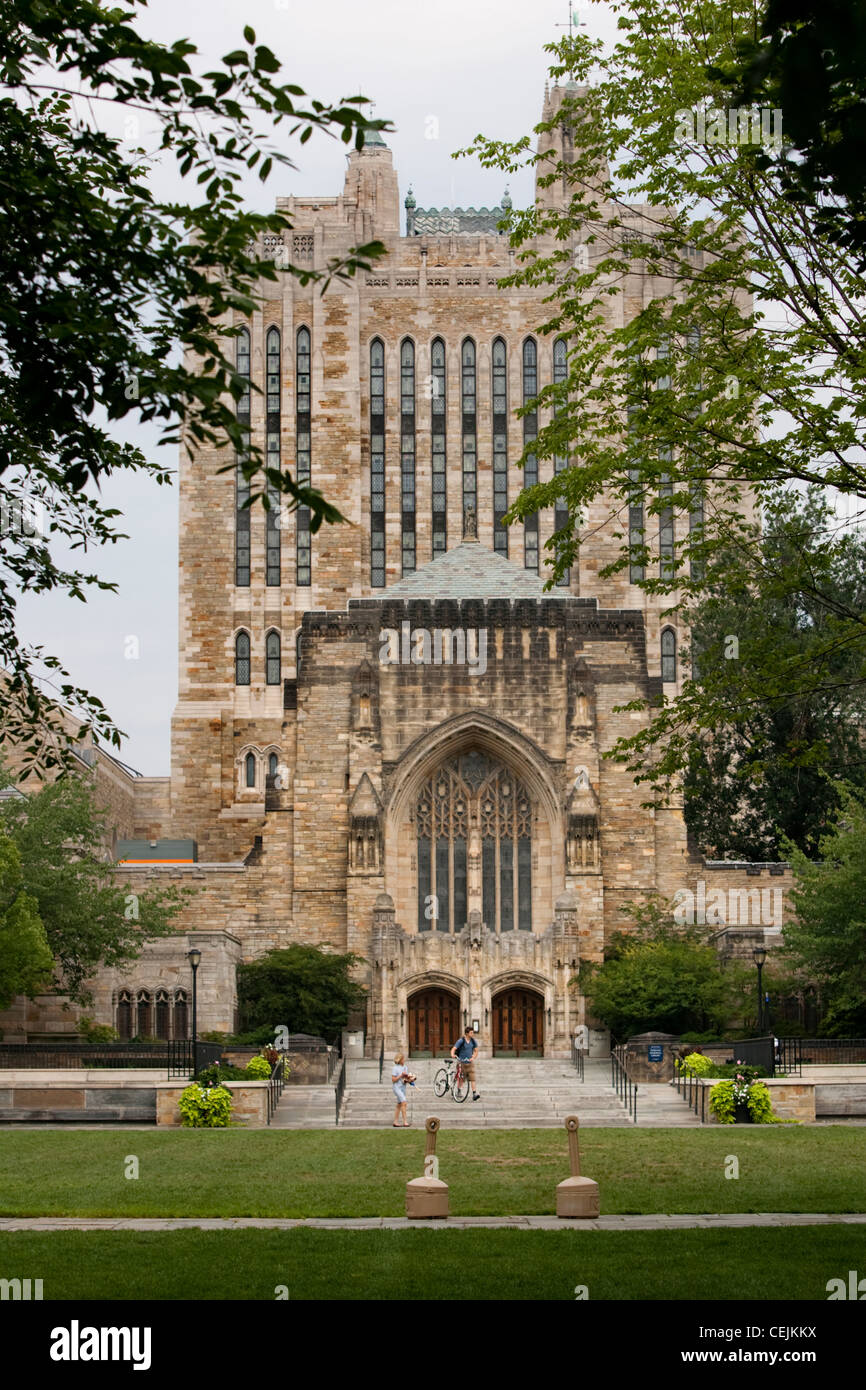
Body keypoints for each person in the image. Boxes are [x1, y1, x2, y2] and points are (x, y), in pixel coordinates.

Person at [450, 1025, 481, 1101]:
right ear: (467, 1033)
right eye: (471, 1032)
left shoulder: (473, 1041)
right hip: (461, 1063)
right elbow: (454, 1049)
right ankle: (459, 1091)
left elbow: (476, 1051)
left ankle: (474, 1093)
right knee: (461, 1078)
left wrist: (473, 1057)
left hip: (470, 1063)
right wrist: (452, 1054)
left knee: (472, 1078)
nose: (472, 1034)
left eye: (473, 1032)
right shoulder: (461, 1041)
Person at [391, 1053, 415, 1127]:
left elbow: (405, 1079)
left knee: (399, 1104)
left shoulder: (405, 1067)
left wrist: (410, 1080)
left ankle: (395, 1122)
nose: (404, 1060)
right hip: (397, 1088)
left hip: (403, 1088)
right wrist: (401, 1075)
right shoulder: (395, 1068)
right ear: (400, 1060)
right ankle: (405, 1122)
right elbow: (393, 1080)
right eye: (403, 1059)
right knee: (404, 1103)